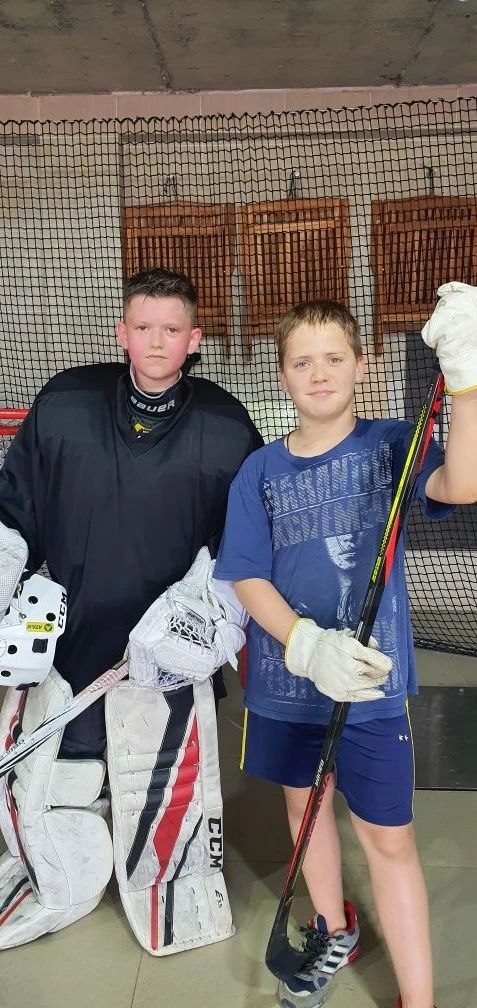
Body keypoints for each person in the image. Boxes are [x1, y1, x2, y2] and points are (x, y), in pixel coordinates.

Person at [214, 285, 477, 1008]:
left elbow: (463, 481)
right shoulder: (259, 471)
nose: (319, 372)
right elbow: (244, 574)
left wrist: (465, 378)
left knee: (387, 838)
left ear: (364, 366)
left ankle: (418, 999)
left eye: (334, 358)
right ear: (282, 376)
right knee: (304, 813)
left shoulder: (391, 445)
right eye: (302, 362)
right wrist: (302, 644)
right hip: (287, 685)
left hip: (369, 686)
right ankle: (334, 928)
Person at [0, 265, 264, 948]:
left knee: (157, 783)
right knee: (64, 778)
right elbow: (13, 515)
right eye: (143, 327)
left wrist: (203, 624)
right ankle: (66, 872)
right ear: (122, 332)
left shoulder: (227, 427)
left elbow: (241, 553)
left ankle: (164, 869)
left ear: (194, 339)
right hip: (72, 645)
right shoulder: (64, 403)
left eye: (171, 330)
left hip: (164, 658)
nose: (156, 342)